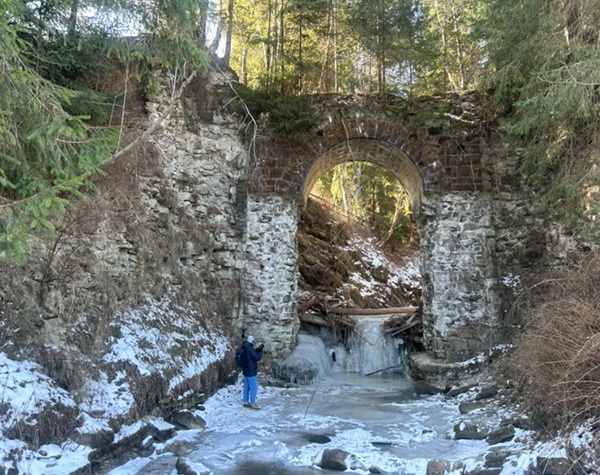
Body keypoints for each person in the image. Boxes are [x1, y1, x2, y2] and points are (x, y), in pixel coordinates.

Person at [241, 335, 263, 410]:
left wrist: (256, 350)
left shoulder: (245, 347)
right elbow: (257, 357)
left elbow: (252, 355)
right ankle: (253, 403)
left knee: (246, 387)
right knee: (254, 387)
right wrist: (260, 350)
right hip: (251, 371)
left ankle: (245, 402)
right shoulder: (250, 349)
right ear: (252, 341)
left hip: (246, 371)